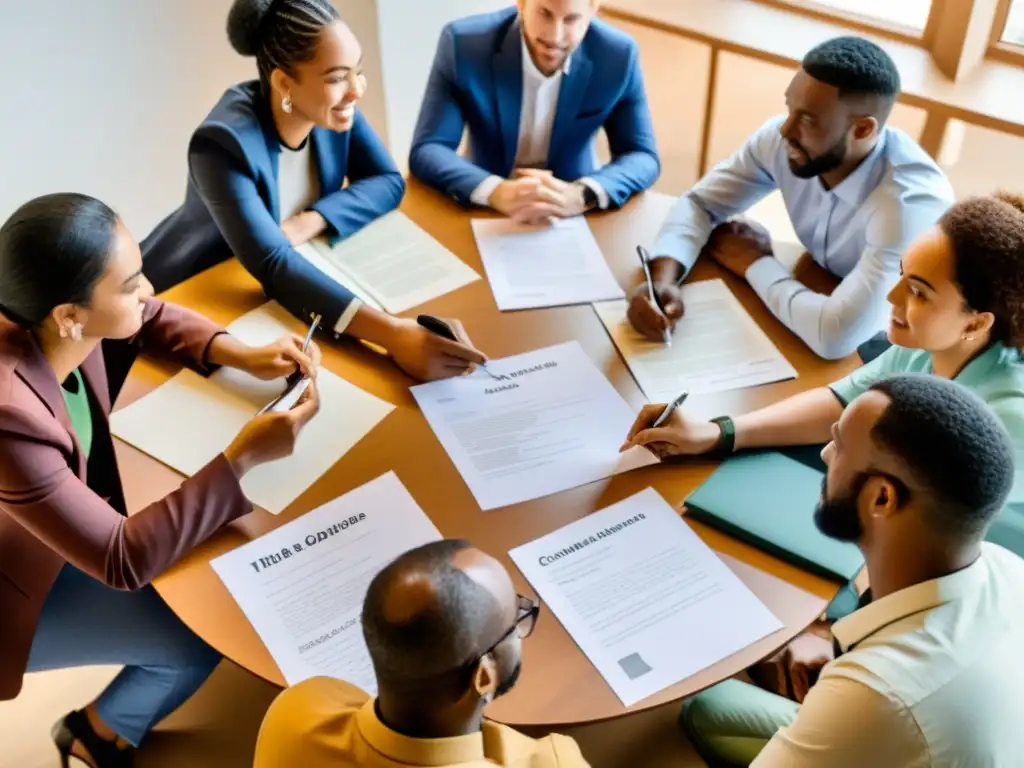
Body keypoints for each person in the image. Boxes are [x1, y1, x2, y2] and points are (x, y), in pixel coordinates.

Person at [0, 193, 321, 767]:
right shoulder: (11, 418)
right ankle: (95, 734)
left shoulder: (47, 314)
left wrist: (237, 353)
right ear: (69, 316)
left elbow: (146, 318)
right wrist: (240, 460)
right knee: (196, 634)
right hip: (16, 590)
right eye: (131, 283)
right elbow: (121, 558)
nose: (149, 289)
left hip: (52, 534)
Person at [624, 193, 1024, 554]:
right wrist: (717, 433)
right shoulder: (925, 349)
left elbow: (929, 533)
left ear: (975, 324)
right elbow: (842, 402)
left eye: (918, 292)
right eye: (902, 274)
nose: (892, 296)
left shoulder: (1006, 418)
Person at [679, 375, 1024, 765]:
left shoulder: (878, 693)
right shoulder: (1007, 566)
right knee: (713, 708)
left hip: (893, 718)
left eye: (839, 446)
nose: (826, 454)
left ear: (882, 497)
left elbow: (882, 702)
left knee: (704, 713)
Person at [142, 0, 486, 382]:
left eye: (358, 71)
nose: (356, 89)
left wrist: (315, 219)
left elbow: (388, 181)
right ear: (284, 83)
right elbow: (273, 264)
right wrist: (392, 335)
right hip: (188, 296)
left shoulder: (330, 109)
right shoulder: (222, 145)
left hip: (270, 284)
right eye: (338, 77)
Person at [628, 36, 954, 360]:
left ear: (863, 131)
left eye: (809, 120)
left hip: (896, 349)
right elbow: (701, 202)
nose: (786, 129)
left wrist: (756, 263)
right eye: (790, 108)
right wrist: (663, 279)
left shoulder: (908, 207)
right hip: (818, 293)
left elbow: (835, 337)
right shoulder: (783, 141)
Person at [254, 539, 589, 767]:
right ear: (483, 676)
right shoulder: (551, 760)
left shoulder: (297, 713)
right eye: (514, 619)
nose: (519, 623)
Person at [409, 0, 660, 224]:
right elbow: (429, 148)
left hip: (574, 211)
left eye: (571, 19)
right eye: (545, 13)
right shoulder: (463, 44)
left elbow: (642, 155)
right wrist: (495, 190)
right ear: (521, 3)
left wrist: (583, 193)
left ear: (593, 10)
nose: (555, 36)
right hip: (483, 204)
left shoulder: (618, 55)